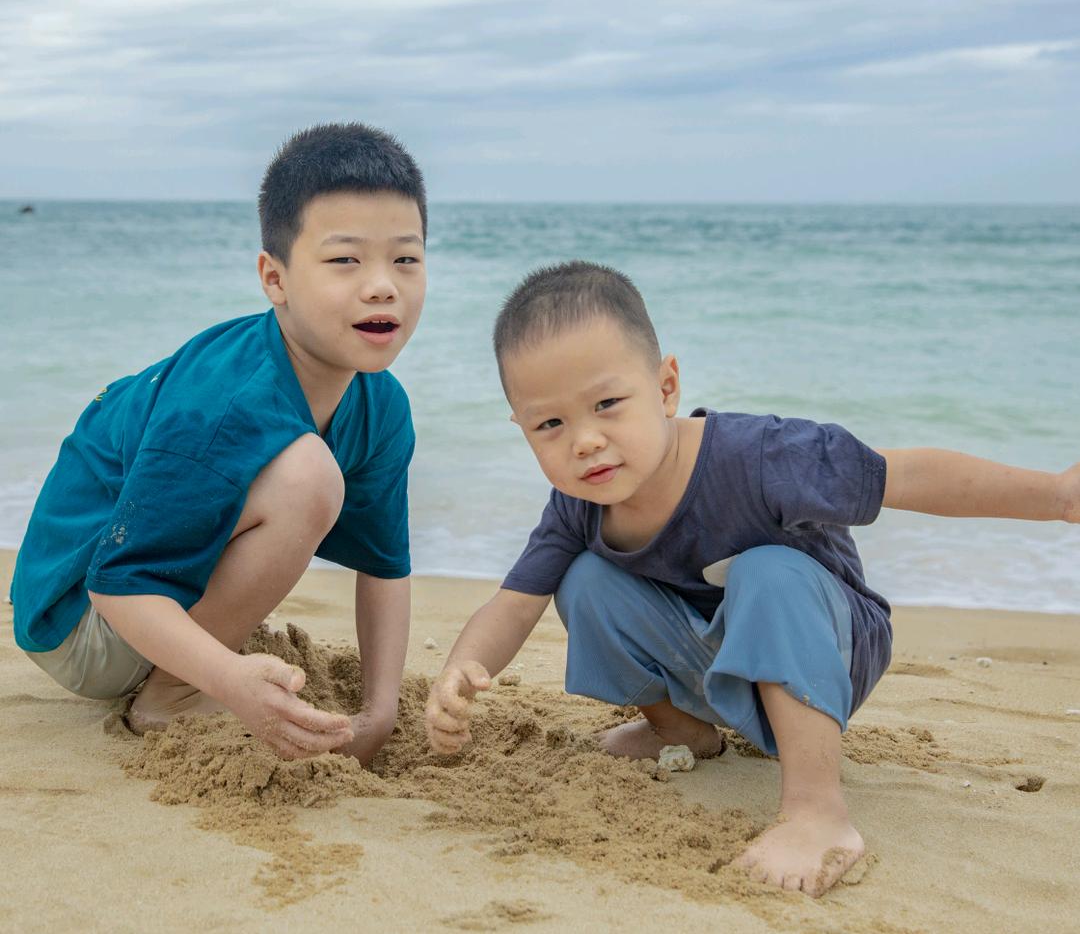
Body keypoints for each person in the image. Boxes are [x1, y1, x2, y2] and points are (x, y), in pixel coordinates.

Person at [425, 259, 1078, 897]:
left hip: (827, 650)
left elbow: (906, 477)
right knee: (583, 580)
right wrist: (460, 669)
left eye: (607, 404)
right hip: (710, 660)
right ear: (522, 429)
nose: (586, 440)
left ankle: (816, 810)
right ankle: (681, 730)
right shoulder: (579, 506)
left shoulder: (763, 459)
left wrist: (1057, 496)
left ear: (665, 387)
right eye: (551, 424)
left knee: (769, 569)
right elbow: (513, 603)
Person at [13, 122, 428, 765]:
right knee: (306, 478)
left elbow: (384, 565)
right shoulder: (224, 400)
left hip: (154, 603)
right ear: (275, 278)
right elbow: (115, 583)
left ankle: (187, 667)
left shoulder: (382, 403)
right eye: (345, 259)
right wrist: (229, 682)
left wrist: (380, 711)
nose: (382, 285)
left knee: (307, 474)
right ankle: (170, 697)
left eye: (406, 258)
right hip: (78, 622)